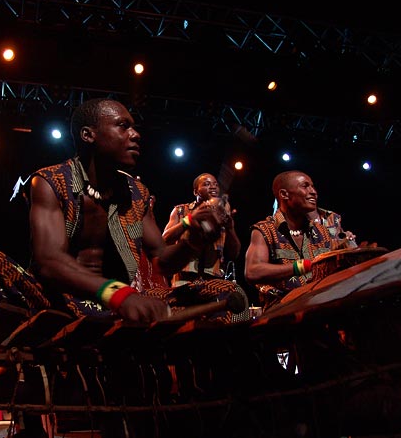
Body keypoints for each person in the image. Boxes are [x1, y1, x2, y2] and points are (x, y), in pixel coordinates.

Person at [27, 98, 246, 323]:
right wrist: (118, 294)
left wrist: (194, 242)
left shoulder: (136, 192)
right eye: (123, 126)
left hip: (125, 302)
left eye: (133, 127)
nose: (135, 134)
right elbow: (49, 261)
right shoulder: (51, 181)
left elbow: (162, 260)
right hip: (62, 301)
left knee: (224, 292)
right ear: (88, 135)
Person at [244, 170, 332, 311]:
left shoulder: (322, 231)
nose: (313, 192)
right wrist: (302, 266)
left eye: (313, 186)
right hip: (282, 314)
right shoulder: (265, 230)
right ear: (284, 194)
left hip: (321, 309)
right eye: (305, 186)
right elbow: (252, 271)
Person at [162, 173, 242, 286]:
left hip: (213, 284)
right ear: (196, 191)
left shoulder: (222, 216)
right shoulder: (181, 211)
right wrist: (189, 219)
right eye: (207, 184)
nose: (213, 187)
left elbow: (234, 254)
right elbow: (164, 240)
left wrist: (230, 228)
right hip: (183, 282)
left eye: (216, 184)